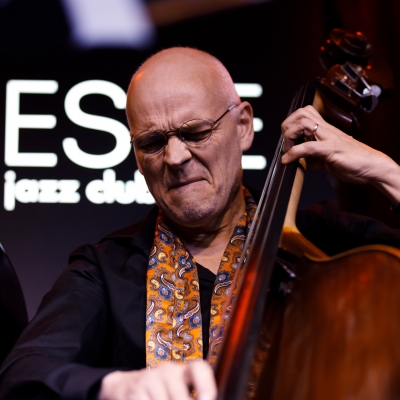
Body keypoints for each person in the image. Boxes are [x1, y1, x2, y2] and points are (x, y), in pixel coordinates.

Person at [1, 47, 400, 400]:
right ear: (137, 157)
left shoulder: (327, 240)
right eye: (152, 142)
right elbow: (23, 376)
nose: (175, 157)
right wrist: (115, 387)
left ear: (243, 126)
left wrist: (387, 173)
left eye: (195, 132)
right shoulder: (104, 269)